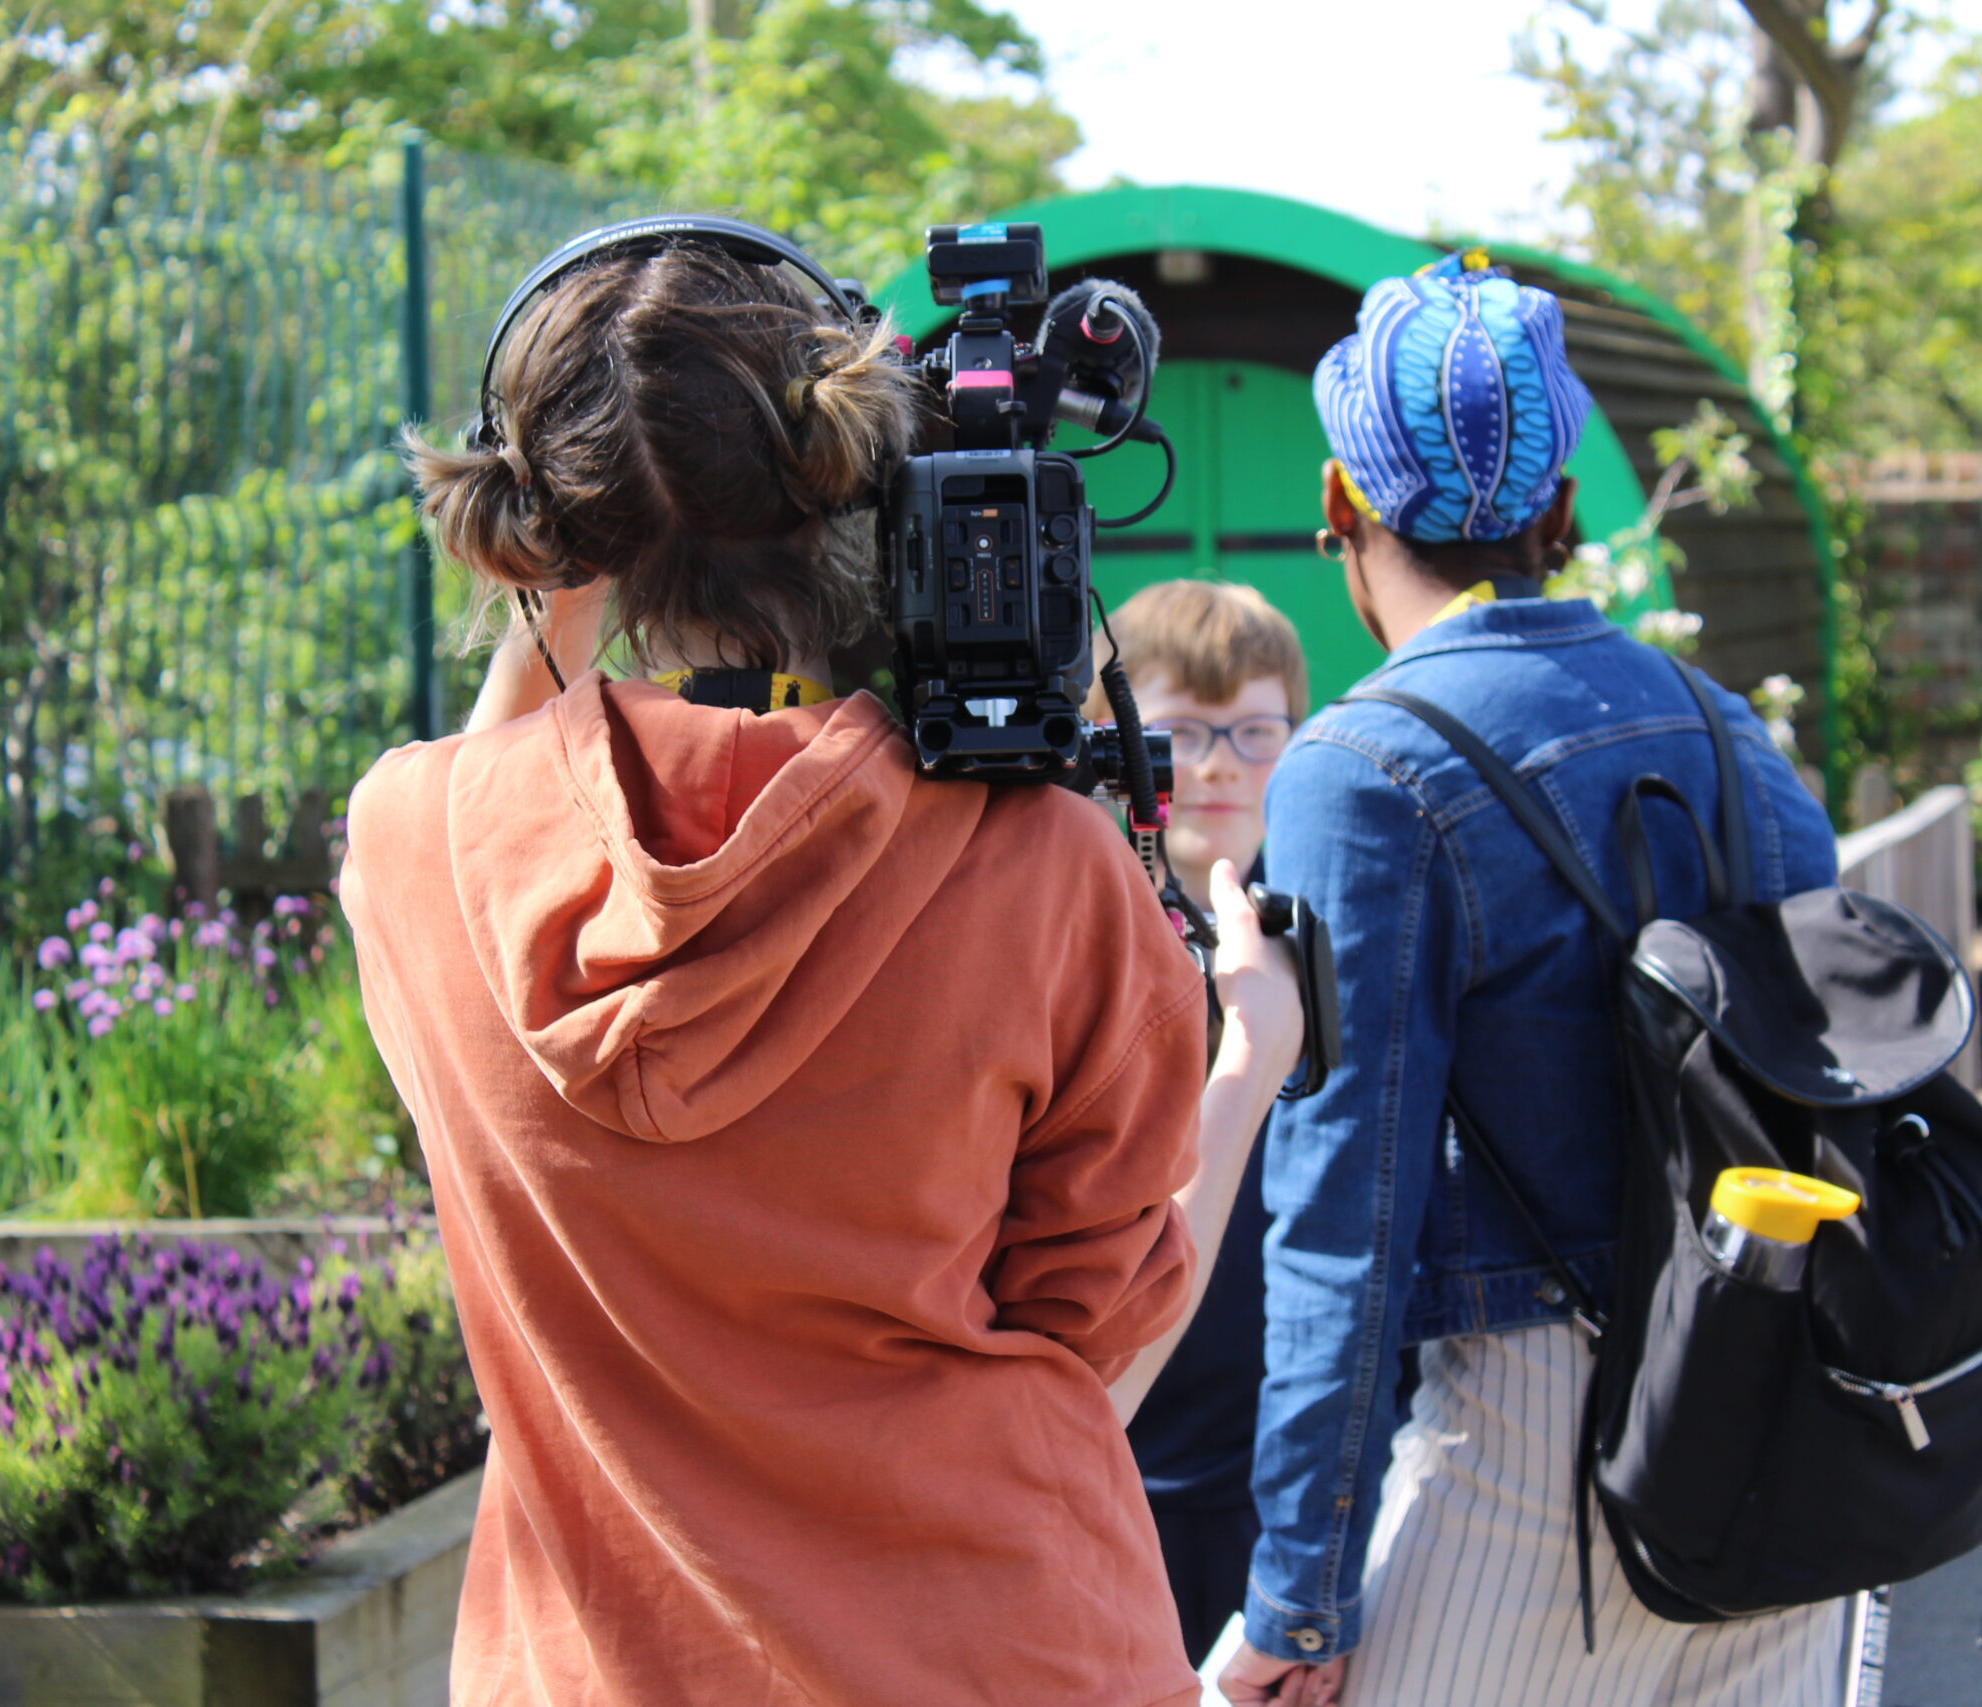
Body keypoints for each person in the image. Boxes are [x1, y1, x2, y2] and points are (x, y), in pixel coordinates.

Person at [339, 237, 1302, 1707]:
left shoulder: (416, 852)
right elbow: (1100, 1324)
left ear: (529, 518)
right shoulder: (1042, 869)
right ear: (854, 466)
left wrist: (571, 585)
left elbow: (494, 787)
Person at [1221, 253, 1842, 1707]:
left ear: (1339, 503)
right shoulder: (1731, 733)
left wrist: (1295, 1595)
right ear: (1564, 510)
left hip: (1532, 1446)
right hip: (1781, 1415)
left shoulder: (1362, 769)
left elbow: (1342, 1212)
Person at [1091, 579, 1309, 1663]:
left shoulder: (1330, 939)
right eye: (1180, 732)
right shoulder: (1080, 947)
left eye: (1255, 731)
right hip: (1121, 1466)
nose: (1221, 764)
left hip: (1292, 1473)